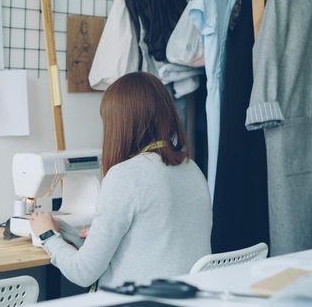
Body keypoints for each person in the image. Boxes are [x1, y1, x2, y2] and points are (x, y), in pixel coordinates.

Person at [30, 72, 212, 288]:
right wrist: (73, 232)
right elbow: (156, 240)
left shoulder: (125, 176)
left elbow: (82, 273)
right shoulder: (192, 168)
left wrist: (48, 235)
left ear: (118, 124)